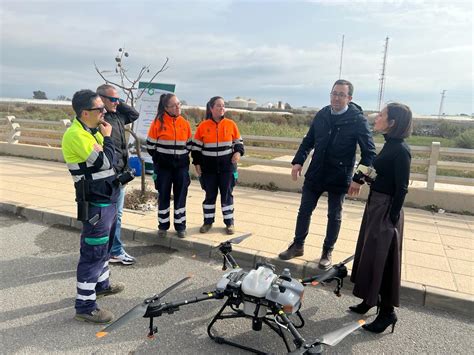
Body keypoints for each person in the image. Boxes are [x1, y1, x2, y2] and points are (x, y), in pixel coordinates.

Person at [278, 79, 376, 269]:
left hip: (340, 174)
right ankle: (297, 245)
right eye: (334, 93)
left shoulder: (358, 120)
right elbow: (309, 140)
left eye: (341, 94)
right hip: (316, 172)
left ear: (349, 98)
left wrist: (358, 179)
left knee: (334, 215)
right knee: (304, 210)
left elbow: (370, 153)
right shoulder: (322, 114)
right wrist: (298, 162)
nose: (336, 98)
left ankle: (327, 251)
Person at [62, 89, 124, 324]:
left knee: (105, 247)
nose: (105, 112)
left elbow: (110, 163)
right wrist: (107, 138)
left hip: (107, 198)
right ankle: (85, 306)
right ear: (85, 112)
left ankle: (102, 285)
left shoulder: (91, 131)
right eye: (100, 109)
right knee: (93, 254)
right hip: (95, 203)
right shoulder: (76, 135)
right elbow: (105, 161)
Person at [349, 103, 413, 334]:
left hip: (386, 210)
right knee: (369, 255)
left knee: (382, 260)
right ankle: (369, 300)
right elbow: (379, 173)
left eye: (382, 115)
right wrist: (364, 177)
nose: (377, 117)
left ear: (392, 122)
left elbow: (402, 188)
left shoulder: (401, 150)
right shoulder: (389, 146)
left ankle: (387, 313)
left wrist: (392, 217)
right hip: (375, 205)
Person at [97, 84, 139, 265]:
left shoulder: (118, 115)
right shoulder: (100, 119)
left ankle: (109, 250)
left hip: (121, 172)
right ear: (101, 100)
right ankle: (113, 251)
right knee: (112, 216)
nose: (117, 102)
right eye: (113, 99)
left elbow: (134, 114)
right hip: (109, 175)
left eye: (118, 99)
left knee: (114, 215)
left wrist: (118, 102)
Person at [192, 96, 244, 235]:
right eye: (218, 106)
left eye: (223, 106)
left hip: (227, 168)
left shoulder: (230, 124)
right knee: (210, 195)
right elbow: (196, 148)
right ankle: (208, 222)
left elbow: (238, 143)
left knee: (227, 195)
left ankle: (229, 223)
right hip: (208, 169)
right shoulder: (203, 126)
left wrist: (238, 153)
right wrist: (196, 163)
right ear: (211, 108)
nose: (222, 108)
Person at [146, 93, 192, 238]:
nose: (178, 107)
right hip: (163, 168)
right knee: (164, 195)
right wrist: (161, 159)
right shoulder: (158, 123)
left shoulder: (185, 123)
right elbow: (150, 146)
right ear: (166, 108)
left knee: (180, 196)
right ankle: (163, 226)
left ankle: (180, 226)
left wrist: (181, 158)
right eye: (174, 105)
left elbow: (189, 145)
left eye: (179, 104)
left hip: (181, 167)